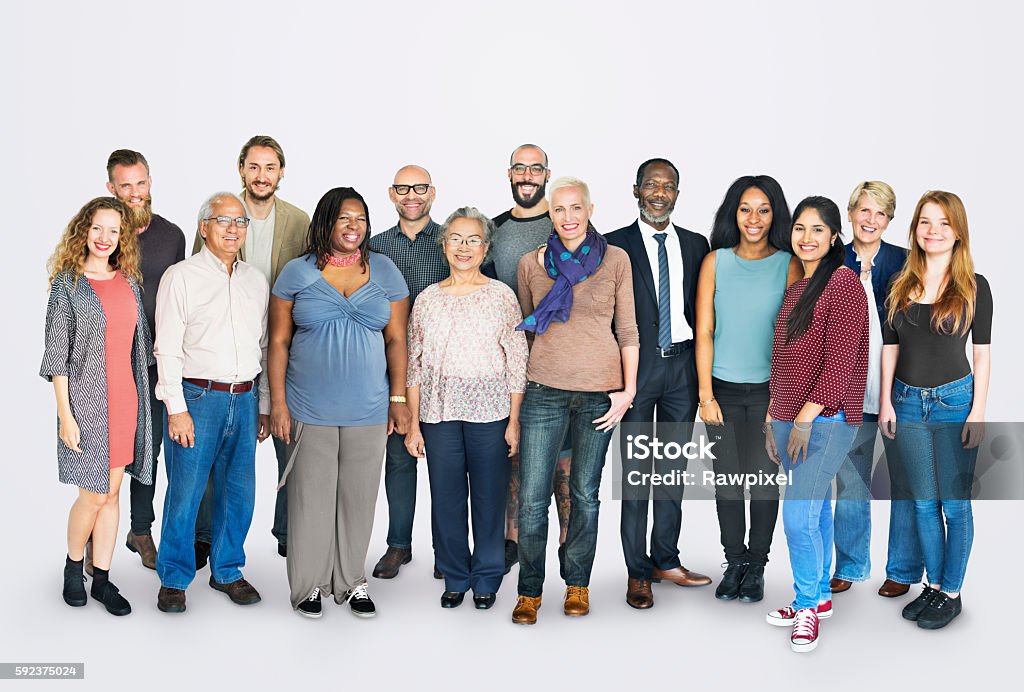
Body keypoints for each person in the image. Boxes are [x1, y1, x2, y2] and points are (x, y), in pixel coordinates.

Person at [268, 187, 410, 620]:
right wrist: (277, 403)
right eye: (344, 218)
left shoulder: (385, 271)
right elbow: (277, 341)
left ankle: (350, 582)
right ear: (325, 222)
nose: (354, 226)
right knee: (310, 498)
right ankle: (309, 585)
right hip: (308, 407)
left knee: (359, 498)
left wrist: (398, 397)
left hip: (368, 408)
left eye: (361, 219)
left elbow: (398, 338)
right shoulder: (297, 272)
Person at [511, 177, 639, 625]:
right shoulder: (532, 263)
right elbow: (529, 330)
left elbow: (627, 331)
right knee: (530, 498)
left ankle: (577, 584)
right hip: (543, 391)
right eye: (559, 209)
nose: (567, 217)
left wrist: (628, 391)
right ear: (551, 214)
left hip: (599, 396)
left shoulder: (616, 260)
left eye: (575, 208)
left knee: (585, 494)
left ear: (590, 209)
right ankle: (529, 591)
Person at [191, 135, 310, 564]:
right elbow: (196, 282)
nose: (262, 176)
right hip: (223, 356)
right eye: (254, 167)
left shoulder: (299, 222)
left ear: (281, 172)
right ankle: (204, 537)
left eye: (270, 168)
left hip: (281, 350)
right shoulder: (219, 213)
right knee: (209, 456)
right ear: (241, 169)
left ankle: (287, 530)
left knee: (289, 443)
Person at [404, 207, 528, 609]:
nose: (464, 247)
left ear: (486, 247)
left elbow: (517, 361)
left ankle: (488, 576)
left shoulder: (501, 296)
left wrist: (513, 421)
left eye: (474, 239)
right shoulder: (427, 300)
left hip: (490, 414)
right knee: (446, 498)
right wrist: (414, 426)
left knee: (491, 499)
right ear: (444, 245)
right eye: (456, 238)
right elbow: (414, 364)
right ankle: (455, 576)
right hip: (437, 415)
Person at [154, 192, 270, 614]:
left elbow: (261, 343)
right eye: (223, 221)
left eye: (240, 222)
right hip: (197, 398)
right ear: (204, 227)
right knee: (185, 492)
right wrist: (176, 408)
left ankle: (228, 570)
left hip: (245, 397)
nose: (233, 229)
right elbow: (166, 347)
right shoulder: (180, 277)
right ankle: (174, 576)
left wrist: (263, 404)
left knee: (239, 492)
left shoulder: (255, 280)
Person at [879, 190, 991, 629]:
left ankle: (952, 591)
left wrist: (978, 410)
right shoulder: (900, 285)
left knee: (955, 505)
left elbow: (981, 354)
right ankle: (933, 584)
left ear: (958, 231)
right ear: (915, 230)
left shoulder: (974, 287)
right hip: (906, 404)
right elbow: (890, 348)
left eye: (943, 223)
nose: (933, 231)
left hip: (954, 403)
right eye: (925, 222)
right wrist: (887, 400)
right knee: (924, 504)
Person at [763, 196, 869, 653]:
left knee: (798, 516)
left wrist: (806, 417)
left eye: (817, 230)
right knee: (816, 510)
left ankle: (806, 605)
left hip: (825, 420)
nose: (807, 238)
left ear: (833, 237)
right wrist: (773, 415)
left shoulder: (844, 284)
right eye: (800, 229)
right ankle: (819, 596)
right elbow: (783, 360)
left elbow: (840, 363)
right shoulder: (797, 288)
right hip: (788, 416)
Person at [606, 158, 712, 610]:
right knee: (637, 475)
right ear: (635, 190)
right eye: (651, 184)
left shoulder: (696, 244)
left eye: (668, 186)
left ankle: (665, 559)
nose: (659, 192)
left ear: (677, 194)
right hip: (635, 372)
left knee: (671, 472)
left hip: (681, 372)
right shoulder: (613, 244)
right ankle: (636, 572)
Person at [42, 196, 154, 616]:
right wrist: (64, 415)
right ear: (83, 231)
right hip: (86, 404)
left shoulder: (128, 282)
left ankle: (103, 579)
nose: (105, 238)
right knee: (91, 496)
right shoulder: (66, 285)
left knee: (112, 494)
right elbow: (56, 356)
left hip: (126, 399)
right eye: (97, 228)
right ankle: (74, 569)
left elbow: (136, 350)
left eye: (114, 230)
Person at [695, 175, 800, 603]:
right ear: (732, 213)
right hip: (720, 389)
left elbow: (793, 339)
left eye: (763, 209)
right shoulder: (715, 261)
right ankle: (733, 560)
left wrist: (780, 400)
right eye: (744, 209)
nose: (753, 219)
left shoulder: (789, 263)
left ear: (775, 215)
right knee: (726, 483)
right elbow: (705, 330)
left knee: (761, 482)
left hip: (767, 394)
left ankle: (756, 565)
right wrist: (705, 395)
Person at [830, 181, 923, 598]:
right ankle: (849, 565)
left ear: (889, 220)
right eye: (863, 211)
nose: (871, 220)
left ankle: (902, 569)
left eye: (880, 214)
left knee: (903, 482)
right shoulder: (832, 259)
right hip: (848, 390)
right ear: (850, 214)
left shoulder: (905, 263)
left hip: (899, 390)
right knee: (851, 482)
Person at [485, 143, 572, 575]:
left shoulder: (566, 228)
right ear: (509, 174)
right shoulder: (494, 230)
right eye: (520, 168)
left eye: (535, 169)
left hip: (563, 362)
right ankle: (512, 541)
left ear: (547, 175)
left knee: (565, 459)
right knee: (515, 453)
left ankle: (568, 544)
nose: (527, 175)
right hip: (510, 365)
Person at [99, 149, 185, 573]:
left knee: (154, 452)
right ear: (111, 188)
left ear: (151, 182)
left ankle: (142, 530)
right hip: (112, 363)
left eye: (141, 183)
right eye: (125, 185)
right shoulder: (104, 235)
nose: (135, 193)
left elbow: (180, 300)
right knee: (121, 455)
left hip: (158, 361)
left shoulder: (172, 236)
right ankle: (103, 544)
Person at [369, 165, 449, 580]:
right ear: (391, 194)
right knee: (399, 461)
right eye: (403, 189)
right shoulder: (375, 247)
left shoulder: (451, 241)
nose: (411, 196)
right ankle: (398, 545)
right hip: (392, 371)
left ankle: (446, 548)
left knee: (446, 463)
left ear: (432, 193)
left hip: (445, 372)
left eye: (419, 188)